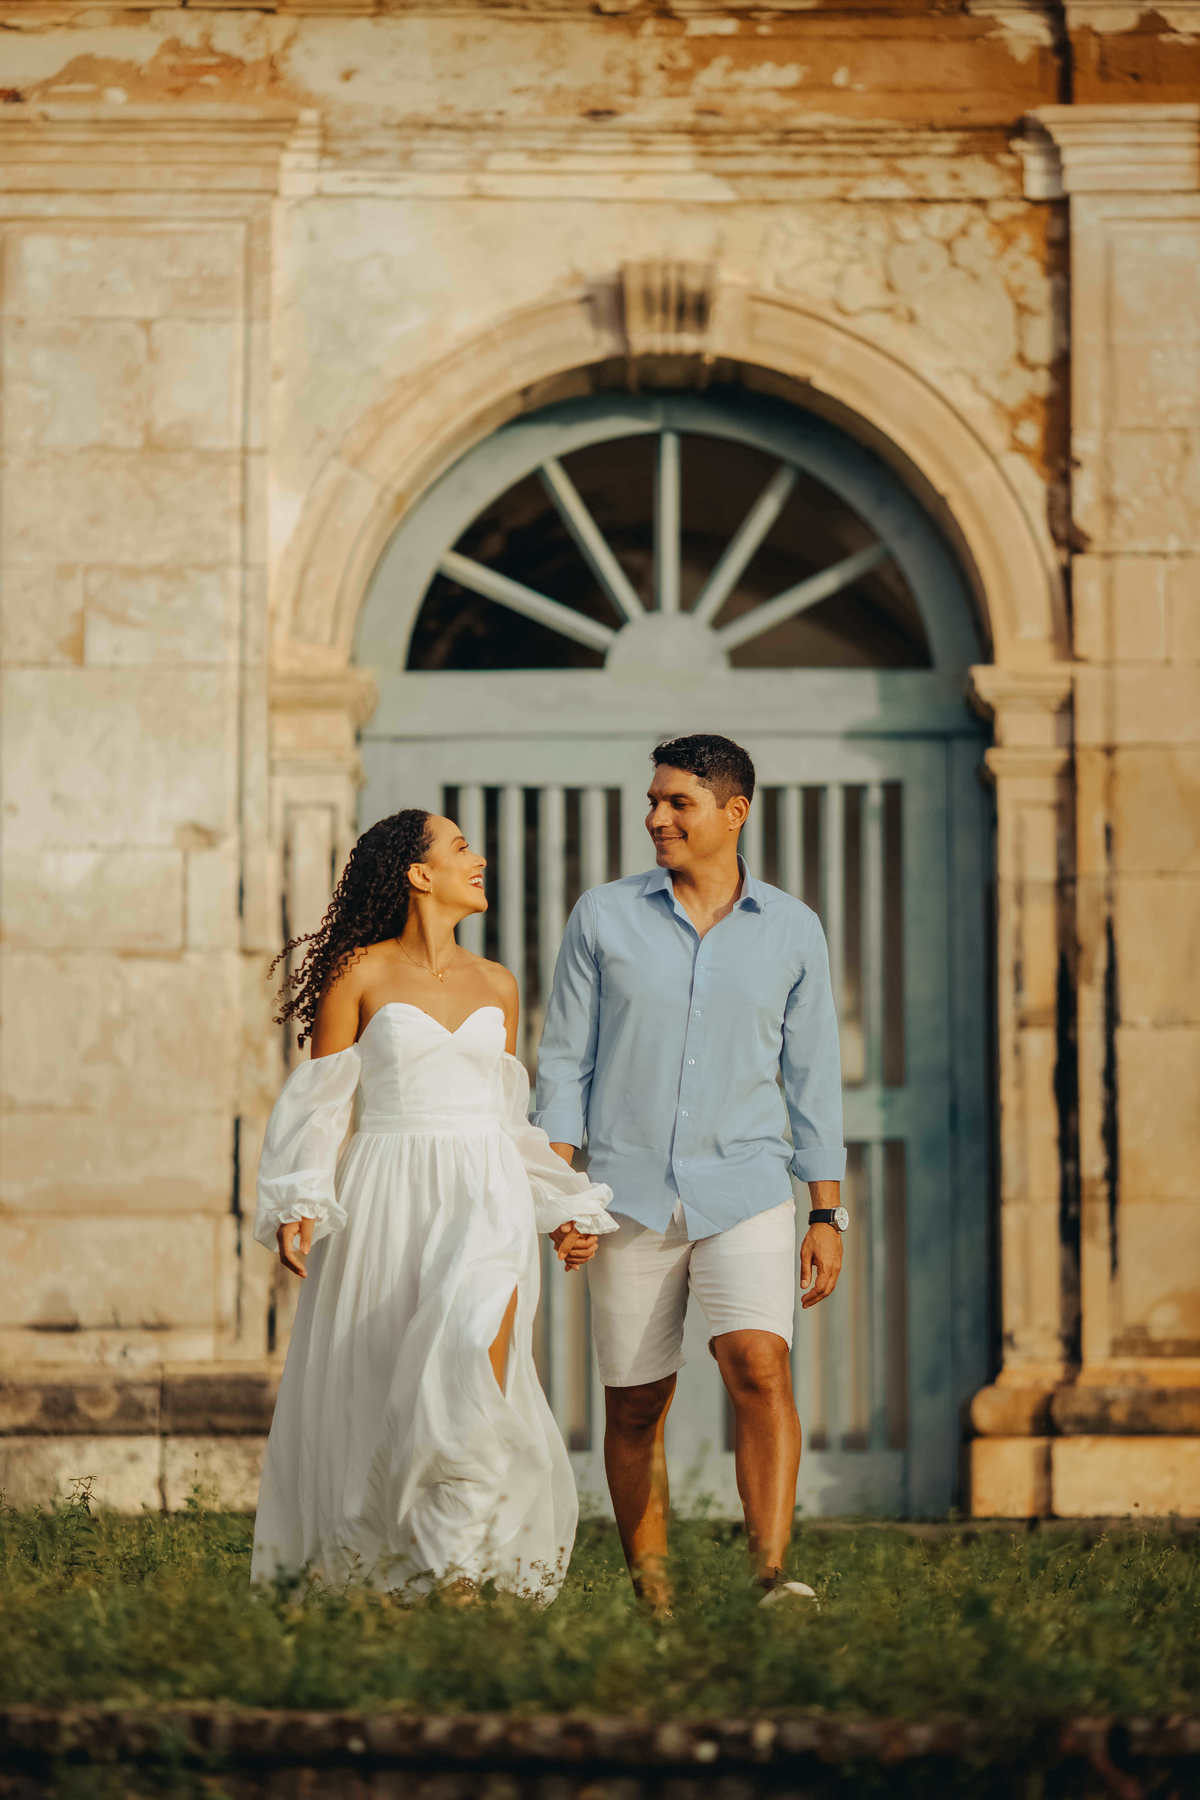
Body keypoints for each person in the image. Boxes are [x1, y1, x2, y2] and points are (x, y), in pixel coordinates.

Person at [249, 808, 616, 1601]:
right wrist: (298, 1198)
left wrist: (566, 1205)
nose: (478, 858)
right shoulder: (361, 971)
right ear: (419, 874)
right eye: (459, 848)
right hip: (387, 1188)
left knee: (470, 1353)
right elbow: (320, 1101)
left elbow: (508, 1117)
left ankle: (456, 1565)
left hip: (486, 1192)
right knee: (387, 1376)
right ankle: (386, 1571)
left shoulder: (499, 985)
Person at [534, 734, 847, 1613]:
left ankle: (771, 1578)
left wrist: (827, 1213)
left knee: (759, 1365)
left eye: (678, 803)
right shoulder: (603, 916)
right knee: (636, 1403)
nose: (656, 817)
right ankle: (655, 1598)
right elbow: (564, 1066)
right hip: (625, 1197)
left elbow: (813, 1076)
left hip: (745, 1186)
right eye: (654, 801)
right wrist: (561, 1194)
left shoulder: (792, 929)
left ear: (733, 812)